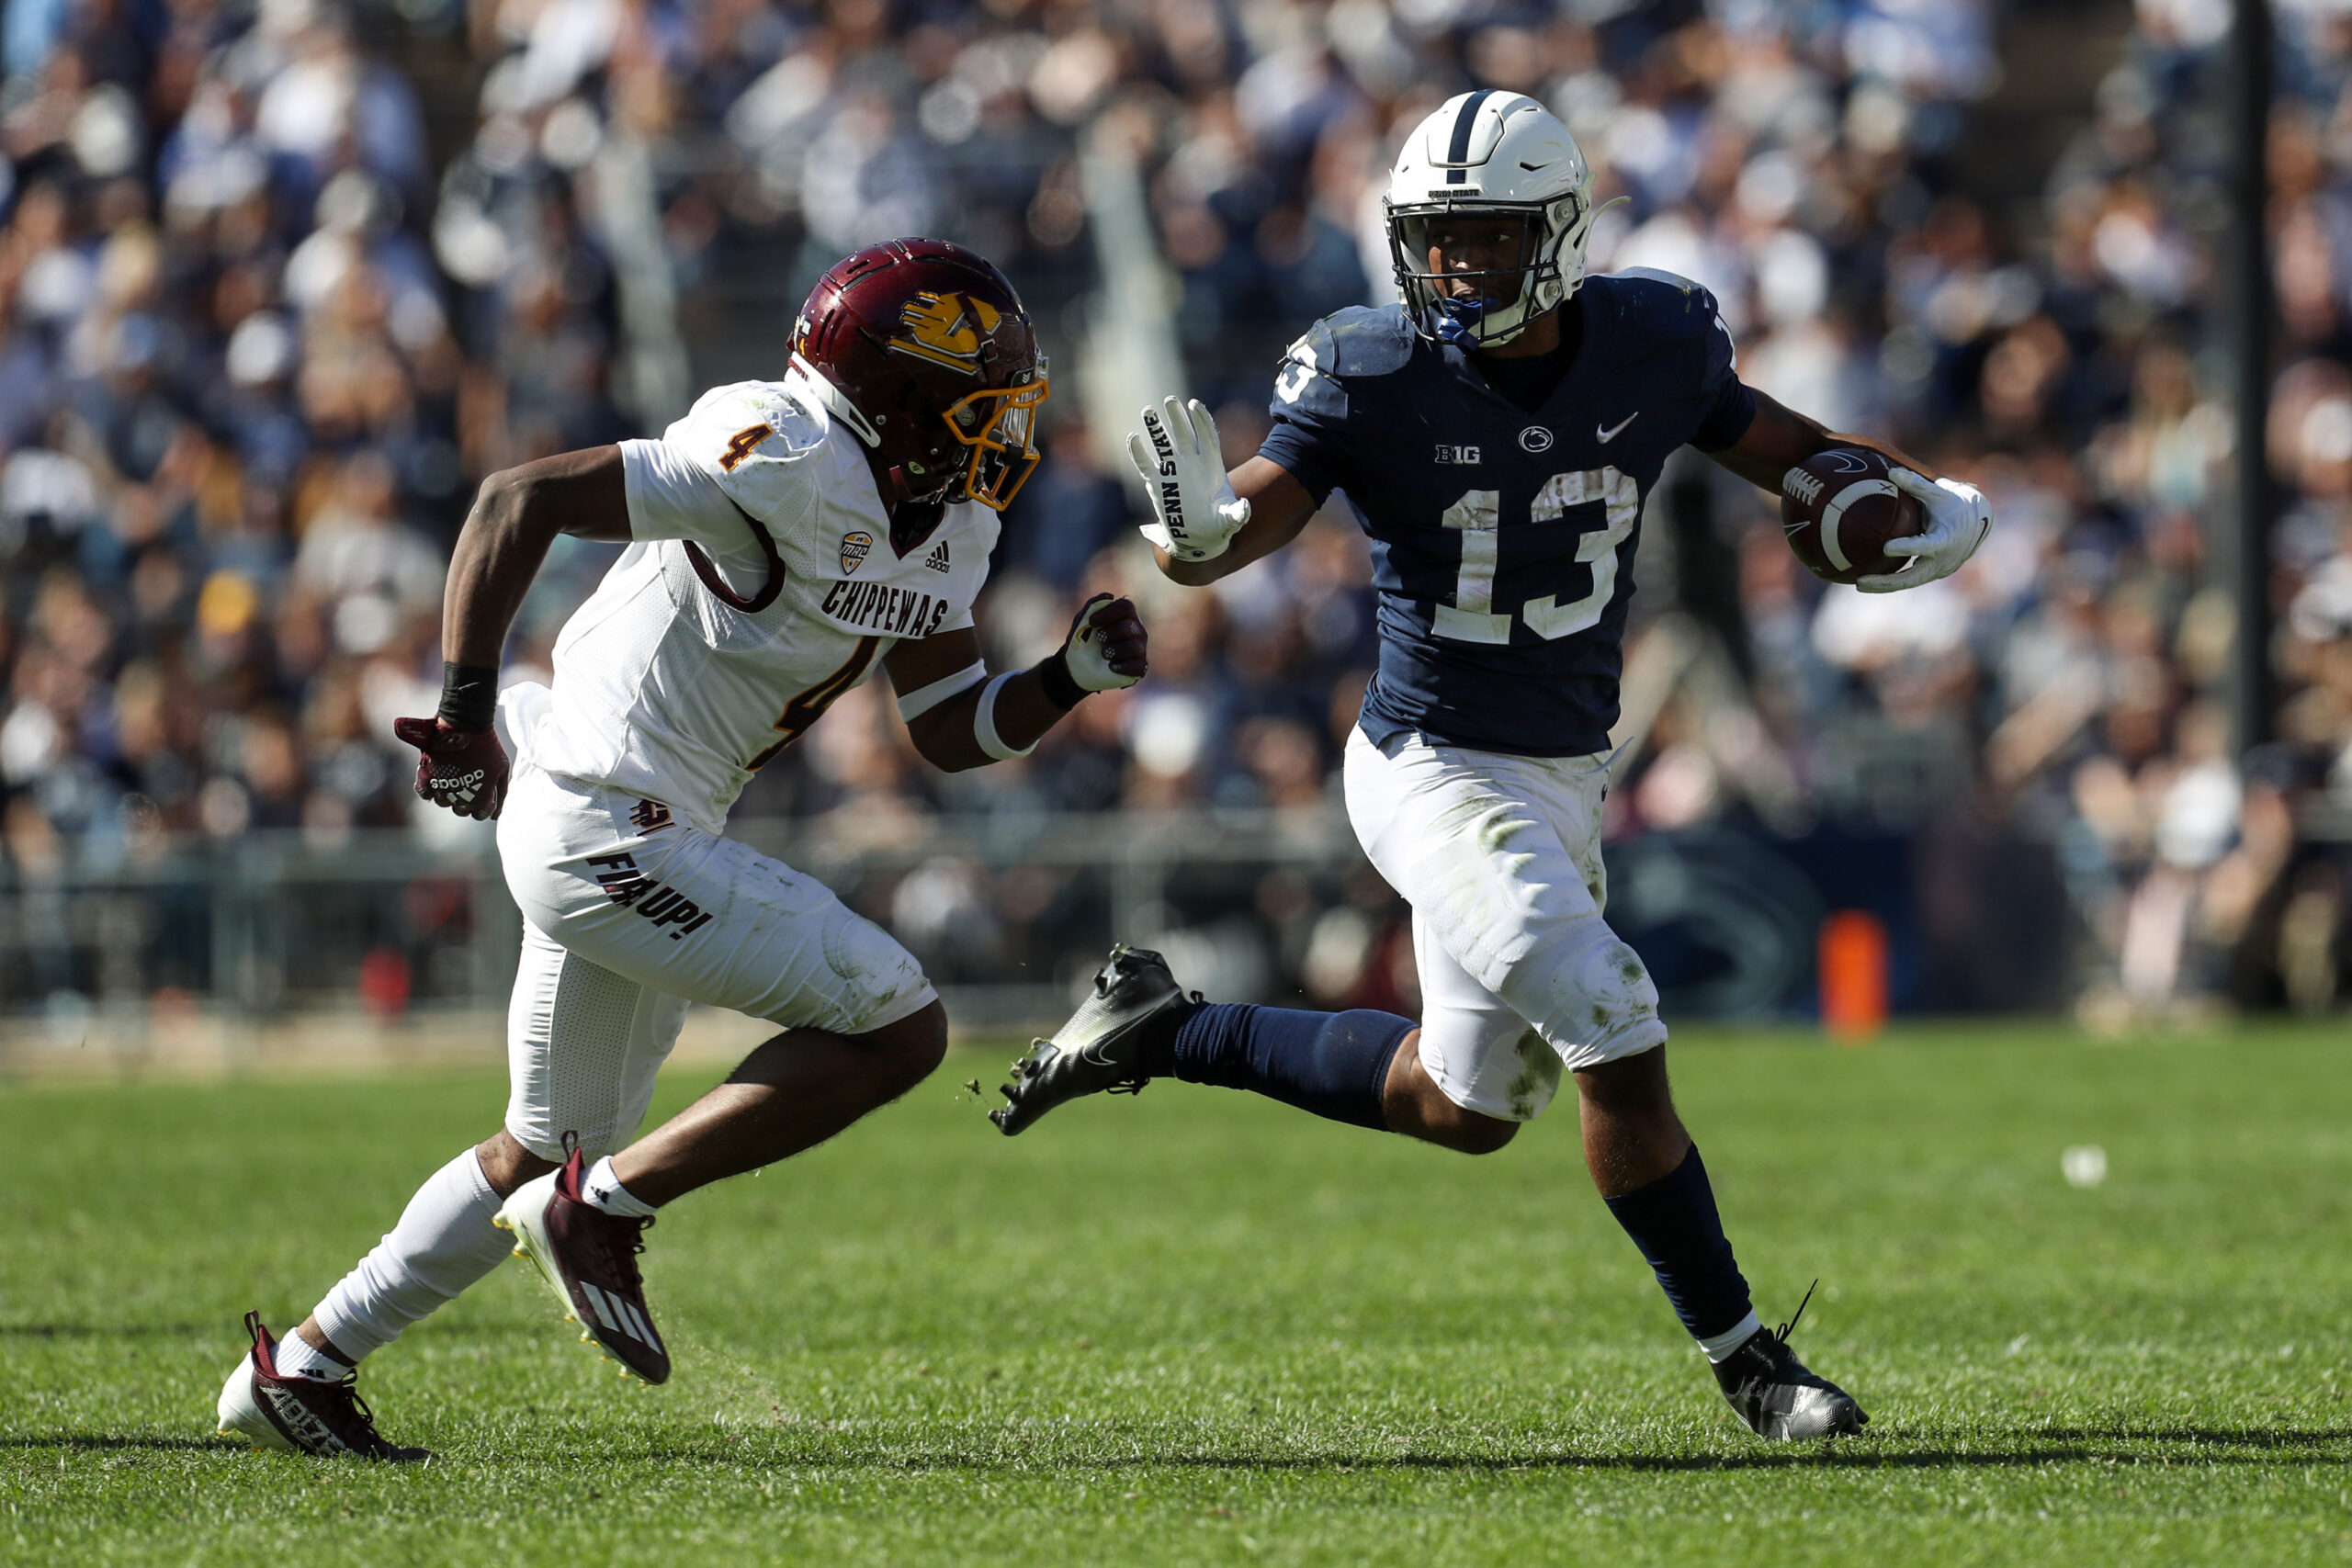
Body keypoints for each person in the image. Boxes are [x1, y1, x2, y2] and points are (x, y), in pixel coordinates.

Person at [991, 93, 1992, 1441]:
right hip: (1435, 766)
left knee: (1460, 1106)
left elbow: (1788, 451)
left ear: (1562, 233)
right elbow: (1237, 529)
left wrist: (1912, 499)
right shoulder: (1366, 367)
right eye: (1438, 238)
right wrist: (1191, 534)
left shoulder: (1652, 340)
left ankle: (1162, 1028)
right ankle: (1752, 1364)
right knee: (1613, 1018)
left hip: (1565, 764)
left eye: (1490, 236)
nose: (1458, 265)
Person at [216, 238, 1150, 1460]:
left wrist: (1067, 678)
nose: (1008, 433)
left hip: (641, 829)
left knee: (541, 1144)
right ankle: (605, 1214)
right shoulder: (785, 447)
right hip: (606, 817)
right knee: (901, 1023)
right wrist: (457, 713)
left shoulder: (945, 526)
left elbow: (949, 732)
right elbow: (519, 498)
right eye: (982, 405)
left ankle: (305, 1365)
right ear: (896, 396)